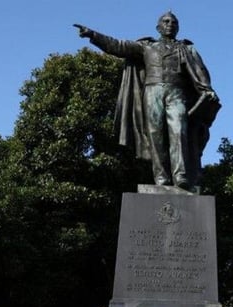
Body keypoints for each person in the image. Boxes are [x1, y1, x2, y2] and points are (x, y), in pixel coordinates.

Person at [74, 11, 220, 192]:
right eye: (165, 22)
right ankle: (161, 177)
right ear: (158, 27)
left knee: (179, 129)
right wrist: (93, 35)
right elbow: (118, 46)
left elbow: (200, 72)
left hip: (177, 92)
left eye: (174, 22)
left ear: (178, 27)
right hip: (153, 91)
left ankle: (180, 175)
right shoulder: (147, 46)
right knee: (156, 133)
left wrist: (207, 90)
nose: (170, 24)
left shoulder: (186, 49)